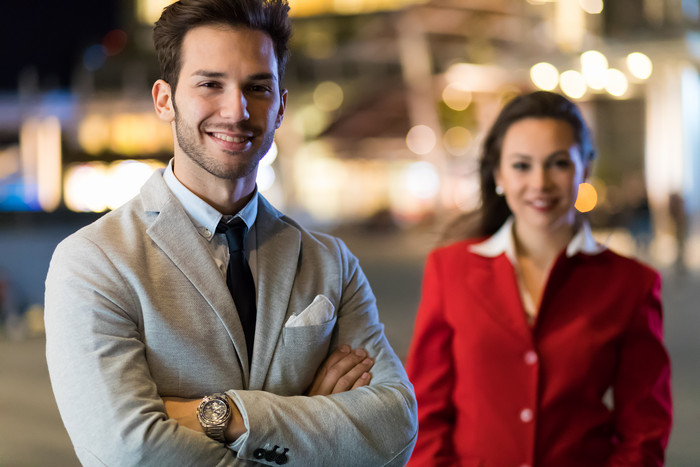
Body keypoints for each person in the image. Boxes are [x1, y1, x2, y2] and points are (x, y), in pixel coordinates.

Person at [44, 1, 417, 465]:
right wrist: (313, 418)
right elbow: (129, 449)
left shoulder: (331, 262)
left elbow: (394, 427)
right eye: (210, 84)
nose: (236, 109)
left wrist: (227, 417)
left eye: (257, 87)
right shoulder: (94, 261)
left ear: (280, 107)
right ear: (165, 99)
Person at [406, 91, 672, 466]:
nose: (540, 182)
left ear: (585, 169)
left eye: (558, 163)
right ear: (498, 173)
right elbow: (424, 411)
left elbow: (644, 427)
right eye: (521, 165)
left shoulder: (632, 283)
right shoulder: (449, 270)